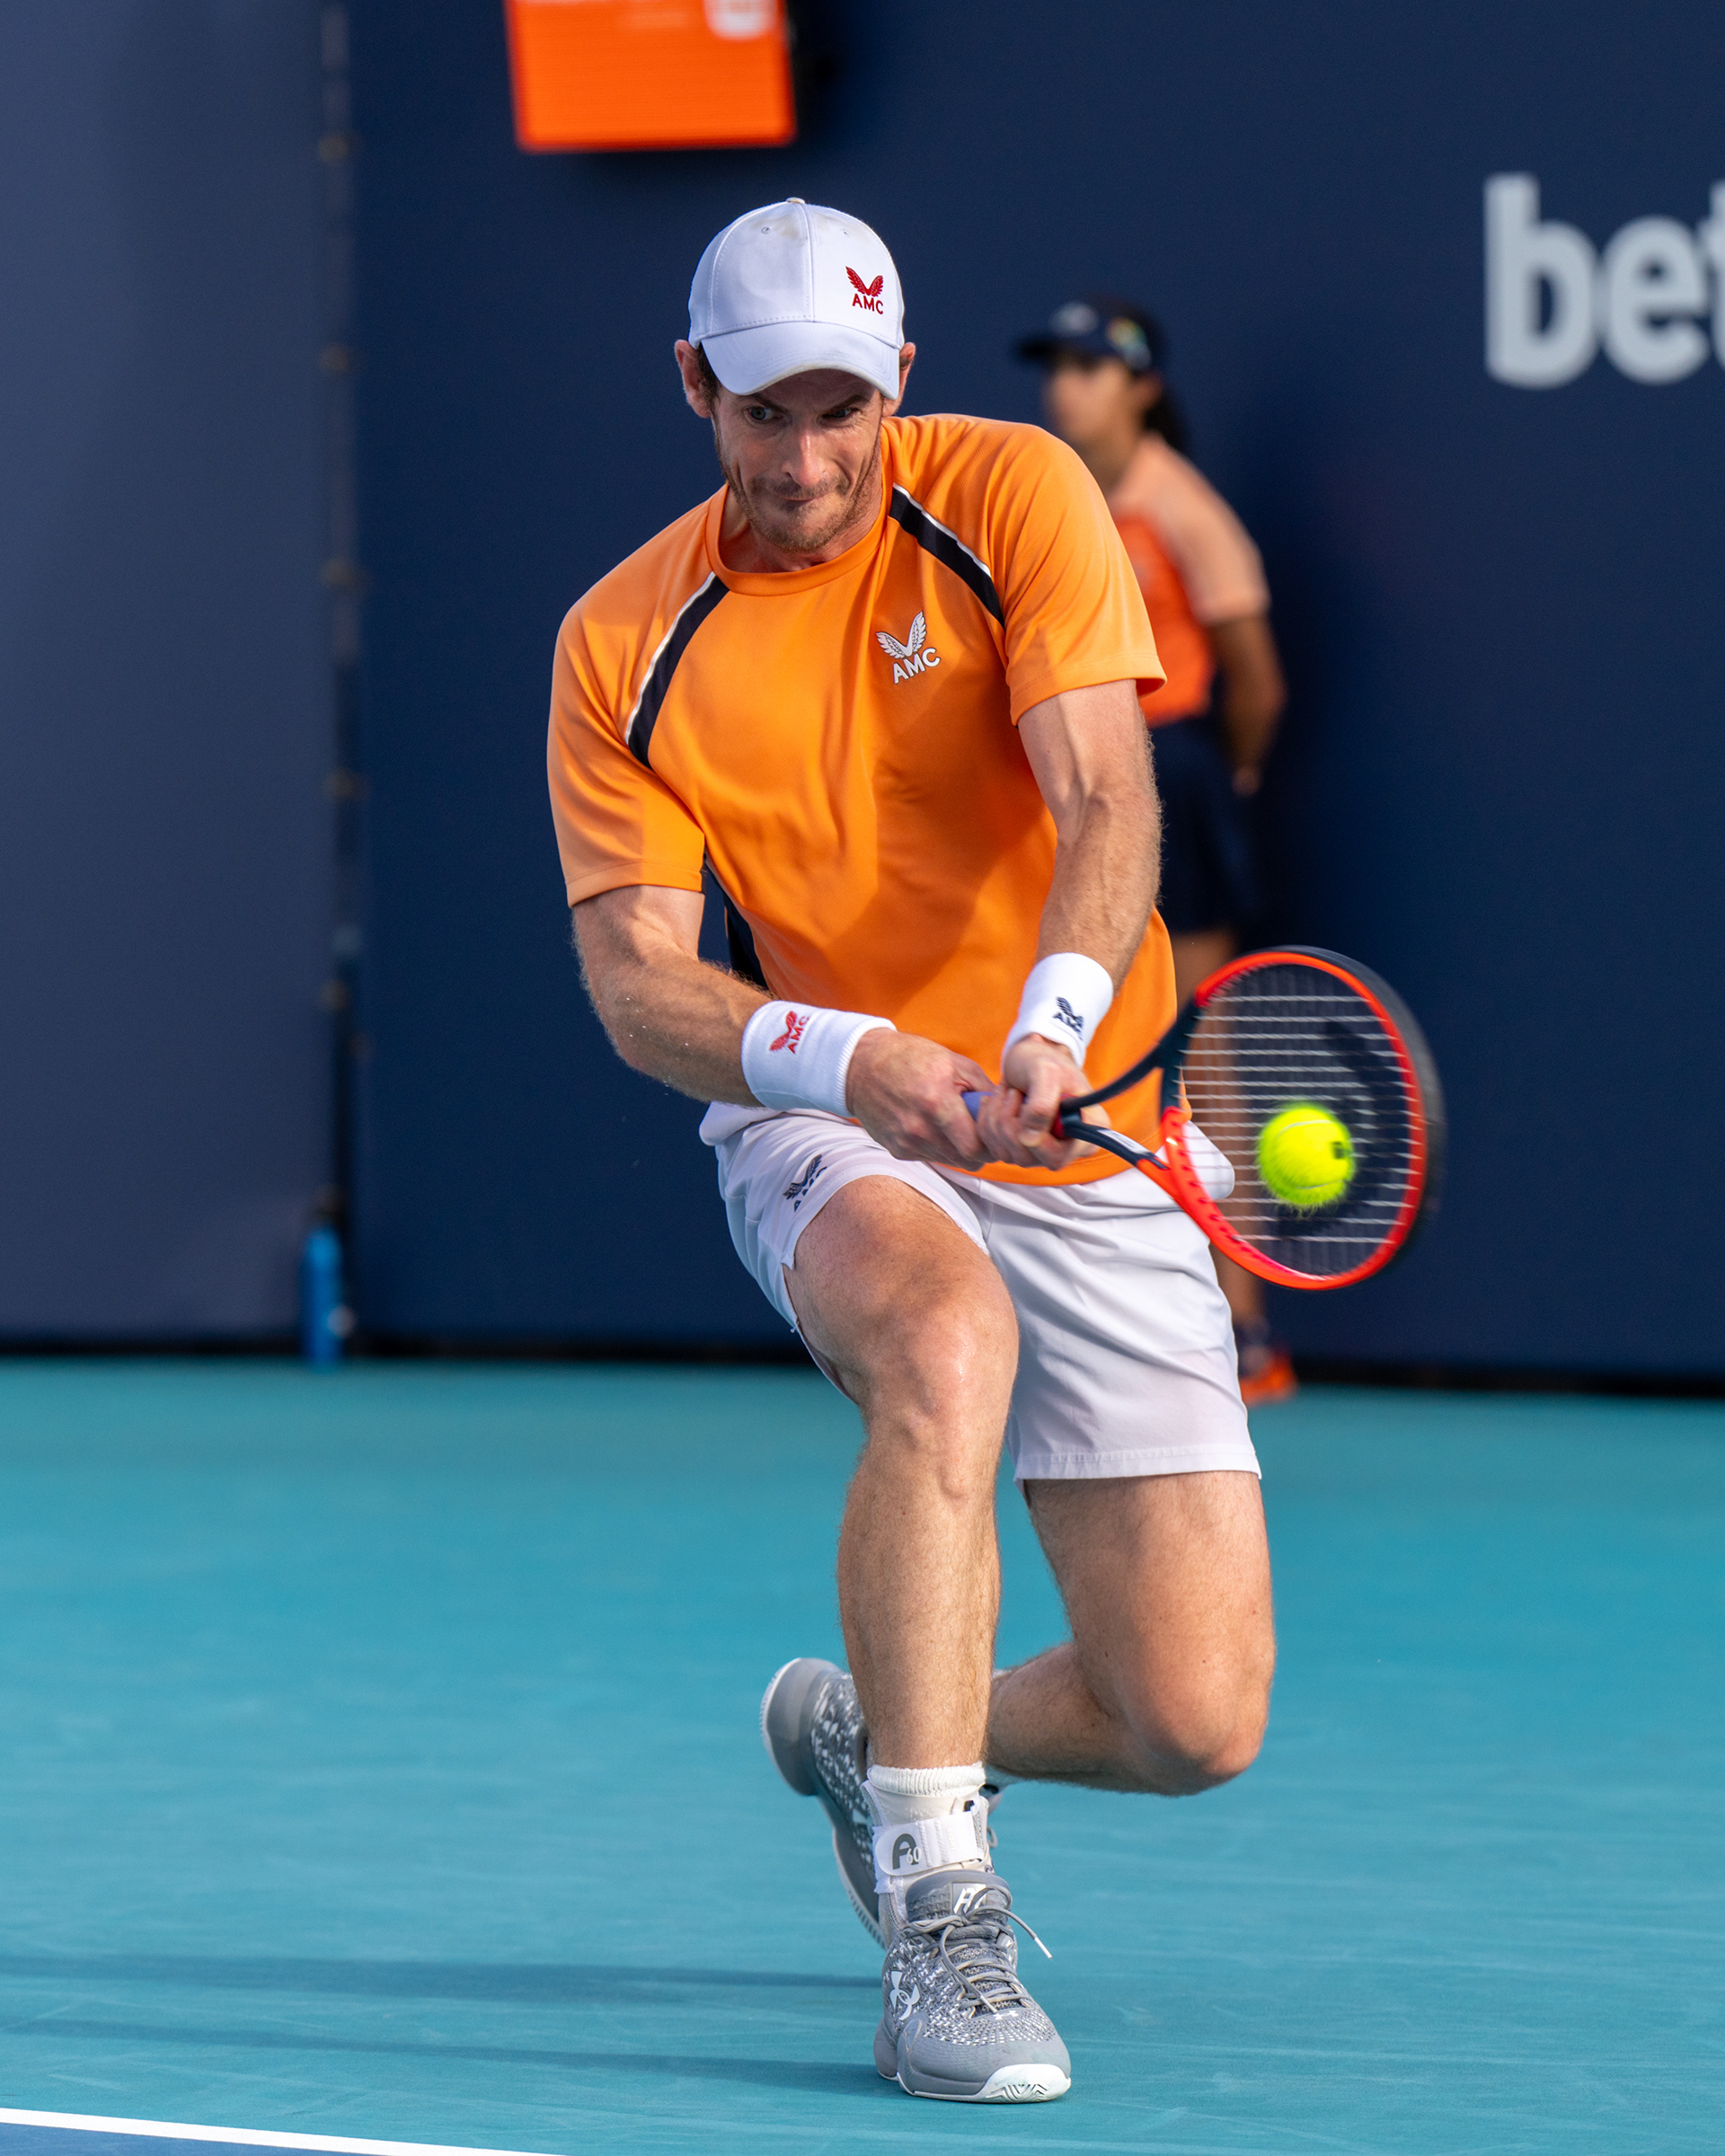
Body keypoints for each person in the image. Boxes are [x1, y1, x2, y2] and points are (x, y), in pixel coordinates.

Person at [547, 200, 1274, 2106]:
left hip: (1079, 1110)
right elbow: (638, 986)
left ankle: (886, 1737)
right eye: (763, 411)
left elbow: (1104, 793)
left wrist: (1049, 1025)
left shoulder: (1017, 490)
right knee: (945, 1342)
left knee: (1191, 1718)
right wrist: (851, 1057)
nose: (807, 458)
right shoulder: (623, 639)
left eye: (842, 409)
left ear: (901, 386)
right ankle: (943, 1921)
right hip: (824, 1104)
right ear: (694, 387)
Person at [1017, 300, 1296, 1405]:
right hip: (1067, 784)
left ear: (1140, 387)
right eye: (1057, 366)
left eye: (1090, 368)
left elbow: (1254, 679)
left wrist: (1224, 776)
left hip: (1171, 773)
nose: (1065, 386)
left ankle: (1246, 1326)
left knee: (1198, 1055)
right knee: (1072, 1042)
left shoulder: (1182, 507)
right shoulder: (1044, 502)